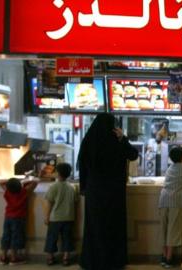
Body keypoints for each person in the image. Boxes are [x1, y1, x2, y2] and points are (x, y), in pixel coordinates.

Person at [78, 113, 139, 270]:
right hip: (114, 192)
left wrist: (84, 187)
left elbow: (82, 167)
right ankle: (113, 261)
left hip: (94, 192)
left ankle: (93, 261)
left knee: (94, 227)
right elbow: (133, 155)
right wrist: (123, 138)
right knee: (113, 226)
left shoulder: (88, 141)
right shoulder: (116, 142)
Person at [43, 163, 78, 266]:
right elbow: (75, 203)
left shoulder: (53, 186)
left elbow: (49, 203)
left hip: (55, 218)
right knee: (67, 238)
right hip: (68, 217)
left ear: (57, 173)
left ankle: (50, 258)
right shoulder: (72, 187)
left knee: (52, 238)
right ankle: (66, 258)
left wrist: (46, 216)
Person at [158, 146, 182, 268]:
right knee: (173, 230)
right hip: (176, 201)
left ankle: (164, 257)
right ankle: (169, 259)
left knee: (163, 229)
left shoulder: (170, 168)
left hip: (163, 199)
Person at [0, 178, 38, 265]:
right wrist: (24, 180)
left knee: (6, 236)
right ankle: (13, 257)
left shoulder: (7, 191)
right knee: (15, 237)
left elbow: (0, 183)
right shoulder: (24, 192)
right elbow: (35, 182)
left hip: (8, 217)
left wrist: (14, 180)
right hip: (19, 218)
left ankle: (3, 257)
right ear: (19, 186)